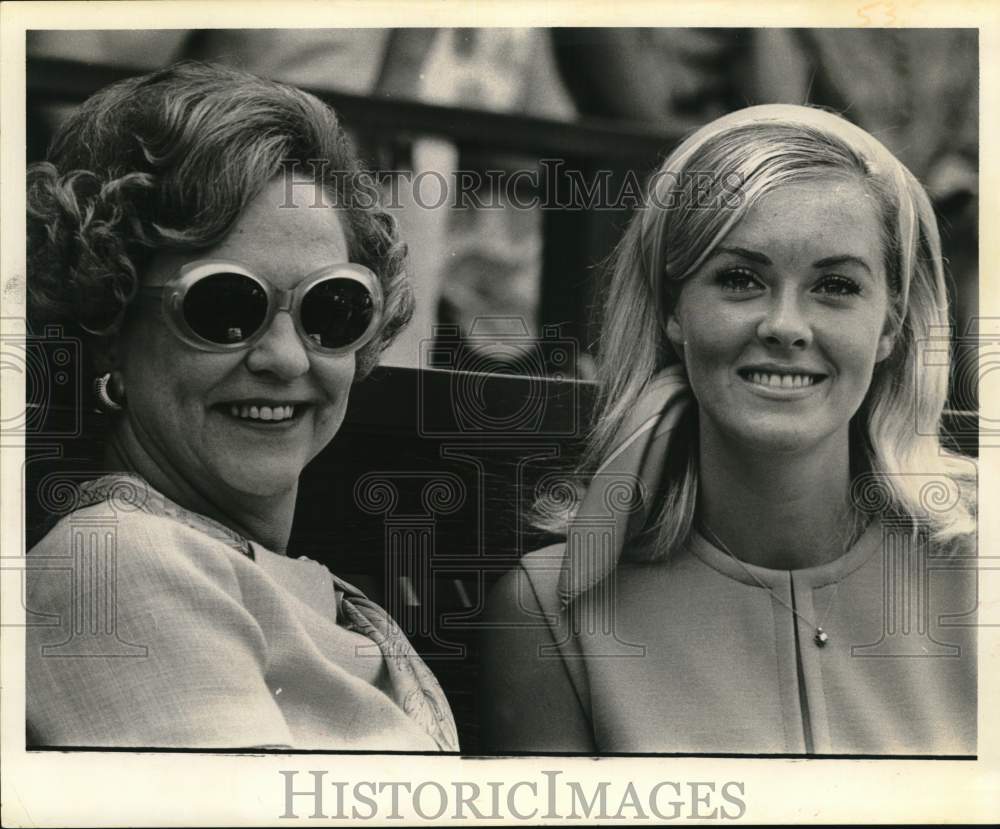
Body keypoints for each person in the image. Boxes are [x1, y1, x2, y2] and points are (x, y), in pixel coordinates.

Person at [480, 104, 977, 755]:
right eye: (740, 279)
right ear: (672, 308)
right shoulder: (551, 610)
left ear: (891, 325)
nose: (785, 325)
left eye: (835, 285)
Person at [25, 62, 458, 751]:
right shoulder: (113, 564)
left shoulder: (300, 585)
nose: (286, 358)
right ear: (107, 325)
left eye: (332, 308)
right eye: (225, 306)